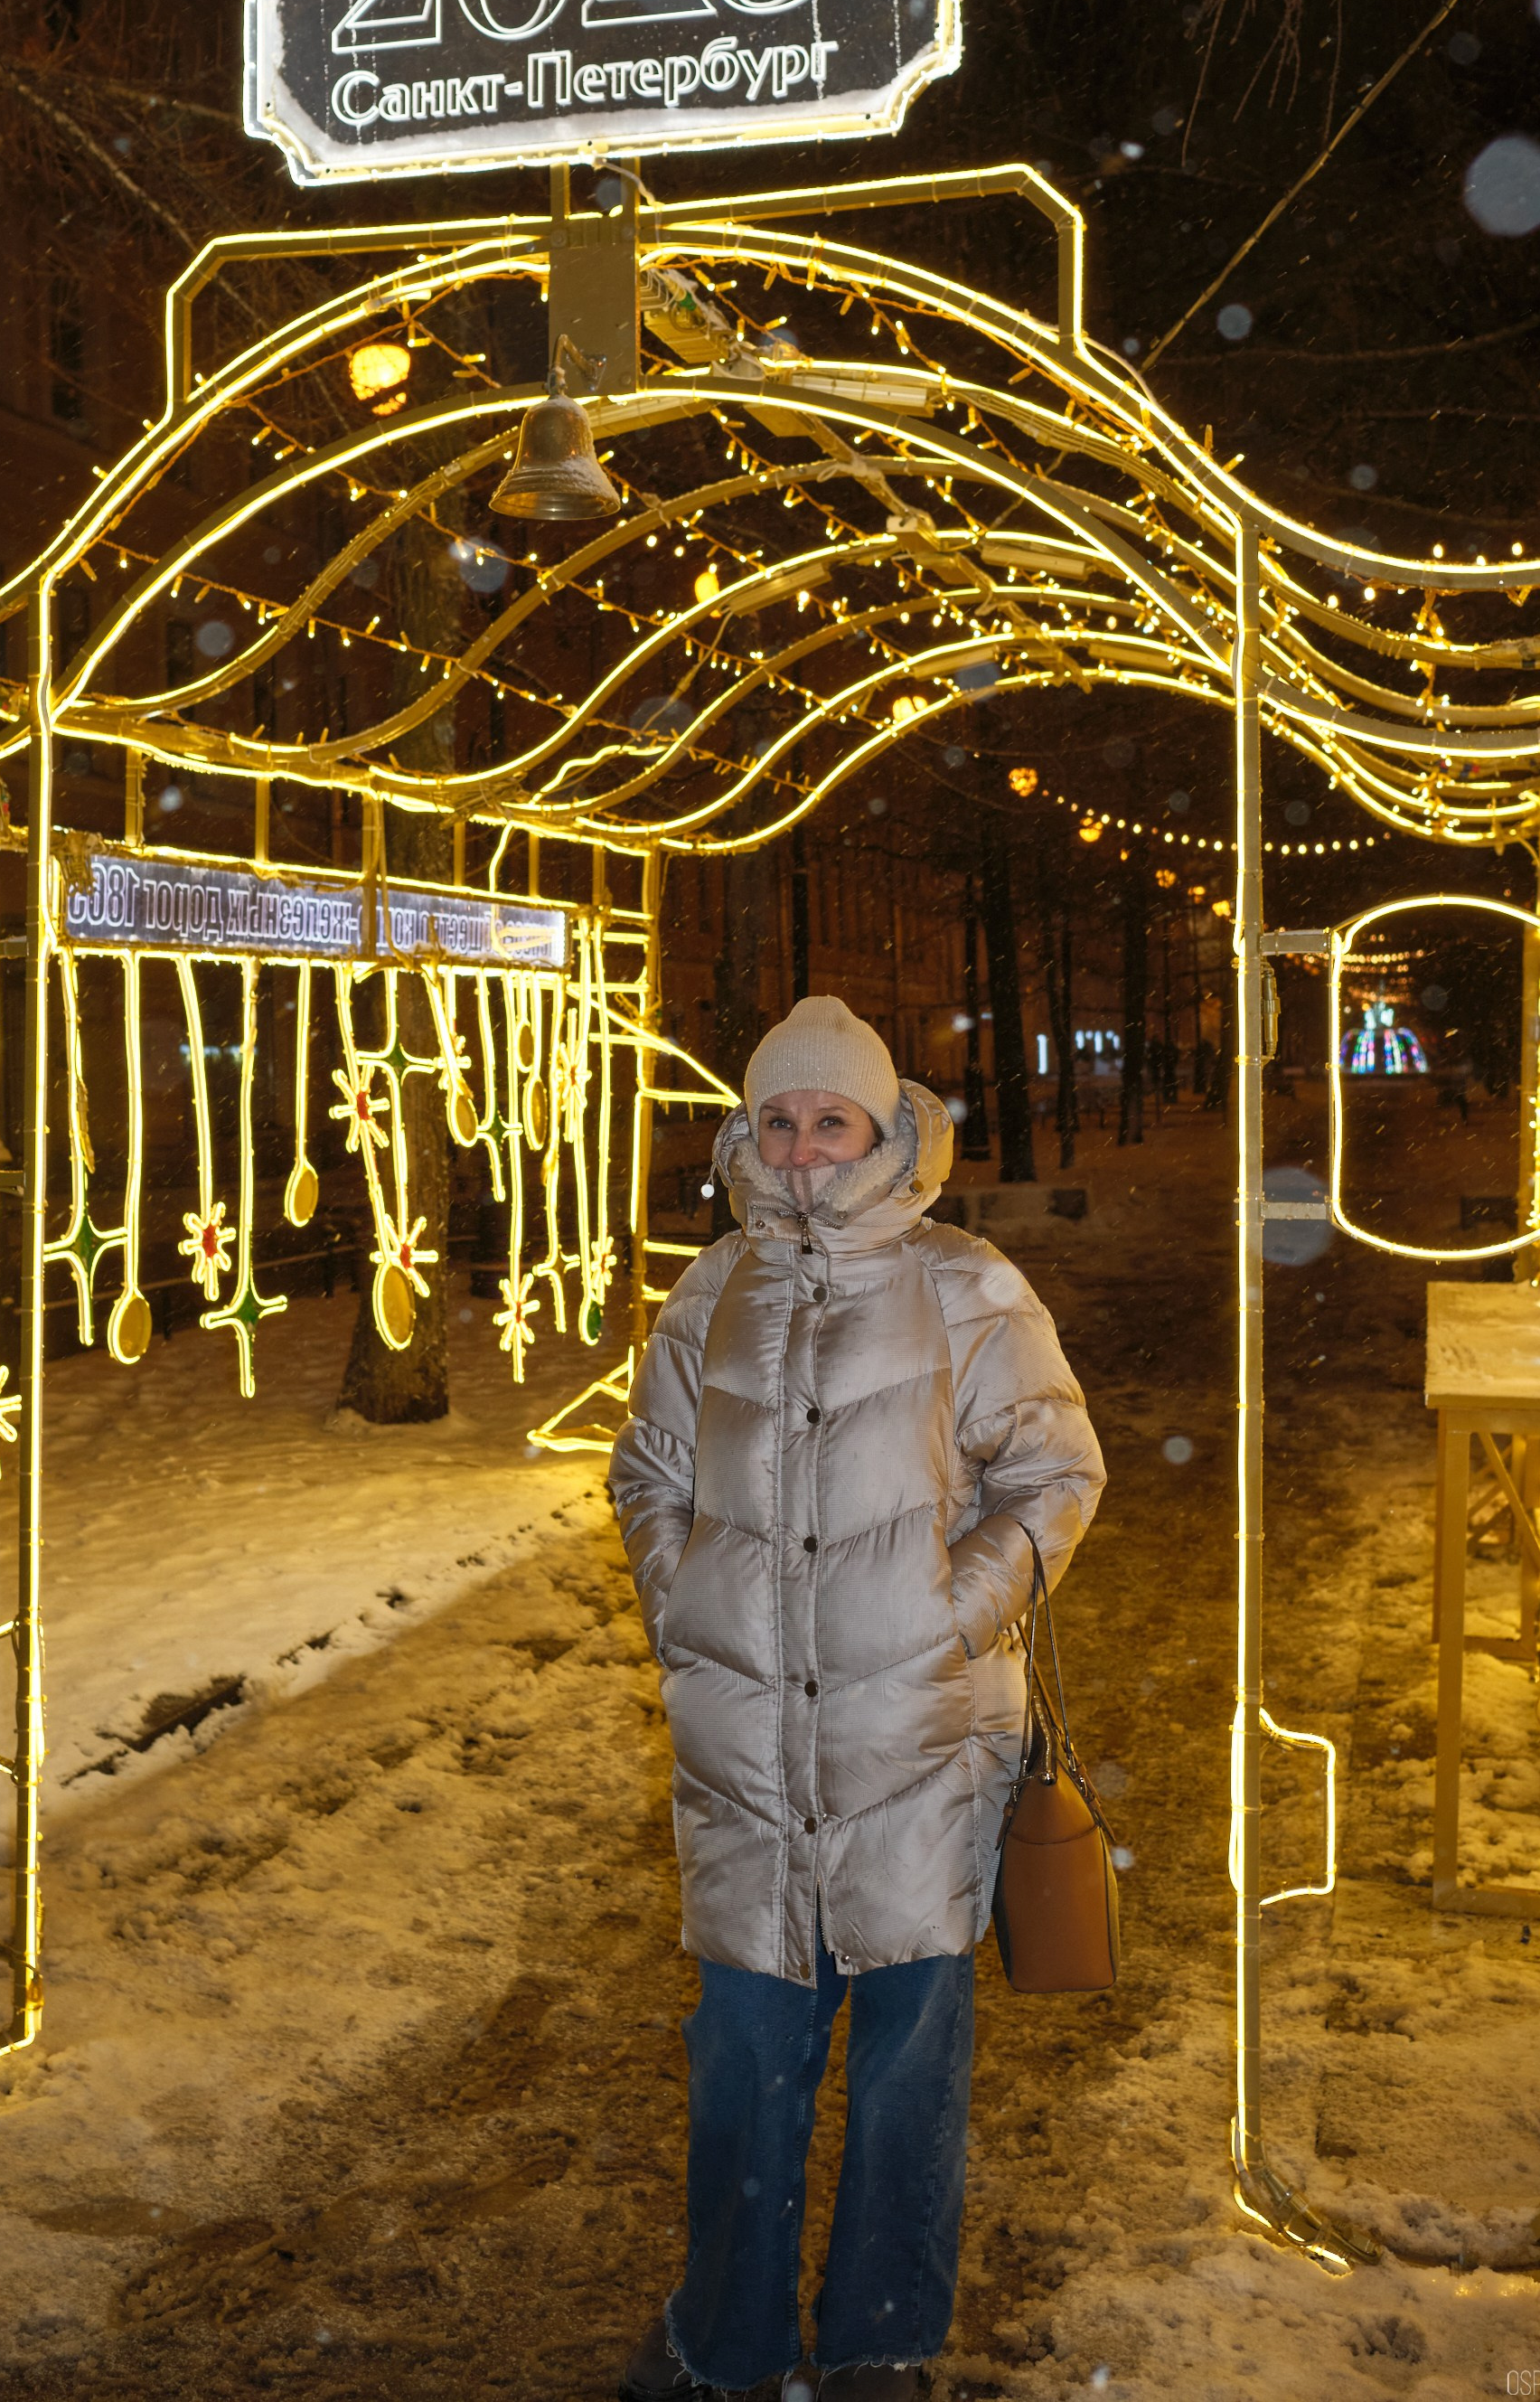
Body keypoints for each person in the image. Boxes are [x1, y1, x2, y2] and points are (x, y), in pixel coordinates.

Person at [609, 994, 1105, 2402]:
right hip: (747, 1760)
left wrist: (948, 1614)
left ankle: (884, 2333)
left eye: (834, 1121)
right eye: (783, 1122)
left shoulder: (967, 1285)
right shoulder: (707, 1294)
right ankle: (731, 2332)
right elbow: (647, 1477)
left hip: (921, 1749)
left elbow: (1057, 1475)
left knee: (906, 2077)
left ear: (886, 1132)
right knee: (744, 2063)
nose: (809, 1149)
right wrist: (682, 1599)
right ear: (749, 1141)